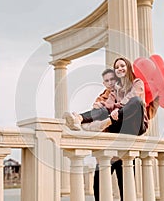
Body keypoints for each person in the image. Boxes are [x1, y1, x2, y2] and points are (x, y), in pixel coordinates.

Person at [63, 57, 149, 201]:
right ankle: (78, 118)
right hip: (117, 129)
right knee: (103, 177)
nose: (120, 68)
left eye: (122, 65)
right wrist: (100, 109)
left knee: (136, 102)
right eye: (117, 67)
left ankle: (106, 121)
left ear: (128, 67)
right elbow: (108, 105)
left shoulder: (137, 83)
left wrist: (117, 109)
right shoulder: (114, 90)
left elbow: (132, 98)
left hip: (134, 125)